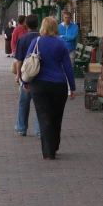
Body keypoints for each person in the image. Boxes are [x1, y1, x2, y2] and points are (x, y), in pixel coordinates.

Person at [23, 16, 76, 160]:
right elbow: (68, 68)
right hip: (59, 85)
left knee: (44, 117)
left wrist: (24, 82)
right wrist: (72, 87)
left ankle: (48, 152)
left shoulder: (36, 41)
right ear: (55, 28)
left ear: (43, 27)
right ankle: (55, 146)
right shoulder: (61, 44)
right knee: (56, 117)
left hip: (39, 85)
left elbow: (28, 63)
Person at [14, 15, 41, 137]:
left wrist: (18, 75)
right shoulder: (42, 38)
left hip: (26, 77)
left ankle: (21, 128)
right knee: (40, 103)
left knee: (24, 102)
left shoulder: (22, 39)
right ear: (37, 24)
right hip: (40, 75)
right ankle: (39, 131)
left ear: (26, 24)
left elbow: (19, 60)